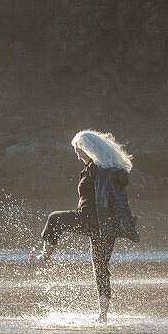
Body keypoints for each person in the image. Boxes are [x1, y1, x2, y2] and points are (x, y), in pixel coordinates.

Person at [29, 130, 139, 322]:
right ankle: (103, 315)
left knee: (55, 219)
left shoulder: (99, 170)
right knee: (101, 267)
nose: (77, 154)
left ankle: (44, 258)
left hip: (90, 219)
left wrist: (123, 220)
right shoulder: (106, 168)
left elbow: (114, 199)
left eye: (79, 150)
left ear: (89, 149)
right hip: (105, 226)